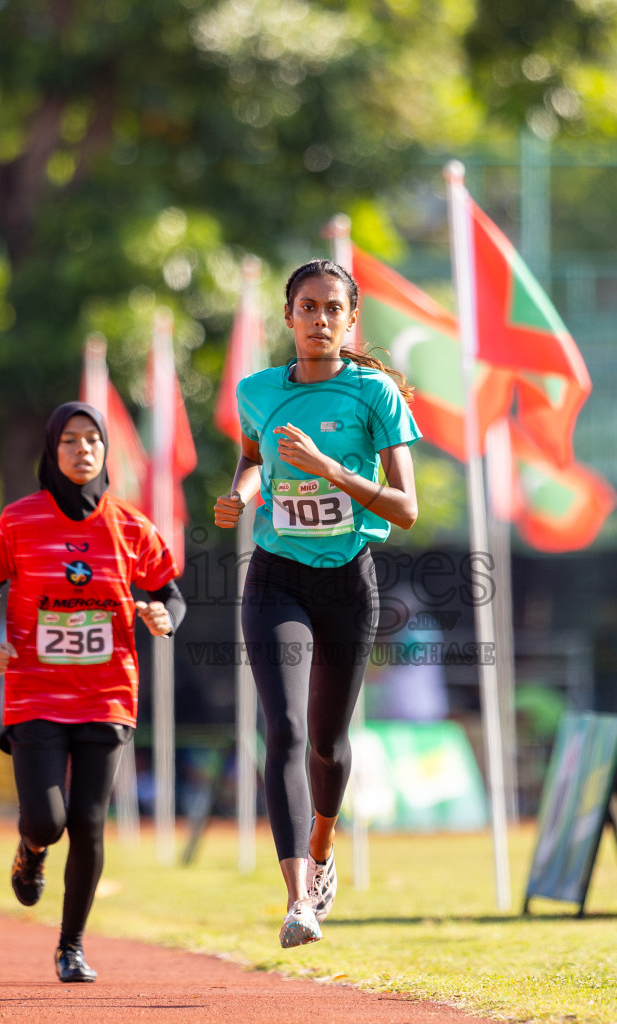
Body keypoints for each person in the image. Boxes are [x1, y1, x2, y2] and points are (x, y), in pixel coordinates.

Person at [213, 258, 420, 948]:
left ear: (351, 318)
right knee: (287, 733)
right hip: (277, 576)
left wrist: (330, 469)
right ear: (288, 316)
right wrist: (241, 494)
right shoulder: (258, 392)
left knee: (328, 745)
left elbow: (407, 508)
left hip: (347, 580)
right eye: (309, 307)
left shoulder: (376, 395)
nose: (321, 319)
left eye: (334, 308)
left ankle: (324, 849)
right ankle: (299, 900)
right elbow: (251, 457)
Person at [0, 401, 185, 983]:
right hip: (36, 690)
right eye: (69, 440)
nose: (82, 449)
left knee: (90, 823)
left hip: (107, 691)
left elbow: (171, 592)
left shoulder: (130, 524)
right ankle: (30, 849)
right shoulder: (18, 521)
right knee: (47, 820)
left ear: (104, 450)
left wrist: (164, 617)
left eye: (91, 439)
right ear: (53, 450)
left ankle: (71, 946)